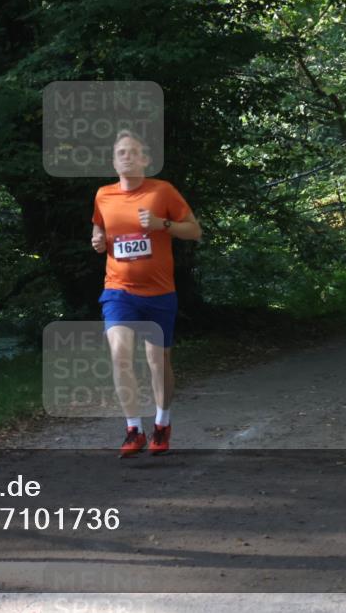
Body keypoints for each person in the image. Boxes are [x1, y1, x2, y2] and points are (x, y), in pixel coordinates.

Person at [91, 130, 201, 457]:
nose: (126, 156)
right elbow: (99, 226)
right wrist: (97, 239)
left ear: (145, 159)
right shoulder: (103, 195)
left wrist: (161, 224)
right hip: (119, 292)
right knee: (119, 355)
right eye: (120, 152)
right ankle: (133, 429)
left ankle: (162, 423)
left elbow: (194, 231)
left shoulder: (162, 191)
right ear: (113, 161)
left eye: (133, 152)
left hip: (160, 293)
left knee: (157, 361)